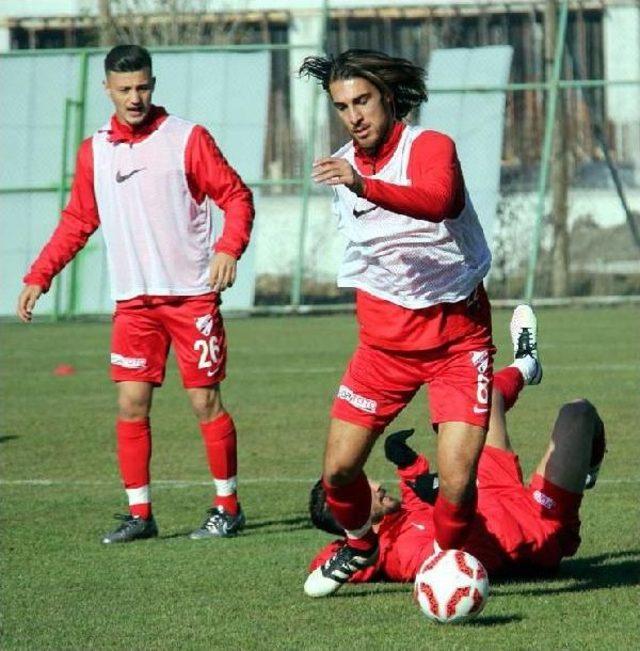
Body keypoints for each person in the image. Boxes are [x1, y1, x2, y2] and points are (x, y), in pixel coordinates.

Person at [299, 50, 532, 596]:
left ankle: (450, 563)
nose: (354, 116)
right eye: (342, 107)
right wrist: (354, 183)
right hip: (382, 347)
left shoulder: (429, 147)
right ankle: (359, 545)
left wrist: (364, 185)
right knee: (338, 473)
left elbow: (440, 200)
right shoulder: (342, 168)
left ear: (387, 98)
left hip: (457, 340)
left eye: (362, 101)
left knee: (454, 481)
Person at [16, 45, 254, 543]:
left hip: (191, 296)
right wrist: (41, 275)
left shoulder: (186, 138)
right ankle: (141, 515)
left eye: (143, 86)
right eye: (124, 89)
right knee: (130, 404)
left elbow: (235, 196)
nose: (135, 97)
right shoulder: (95, 150)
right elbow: (80, 219)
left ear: (153, 83)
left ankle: (227, 507)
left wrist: (229, 248)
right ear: (107, 89)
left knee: (204, 402)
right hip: (134, 302)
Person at [306, 307, 606, 590]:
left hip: (492, 487)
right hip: (538, 527)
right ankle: (583, 467)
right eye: (363, 489)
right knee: (578, 413)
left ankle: (527, 365)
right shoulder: (397, 554)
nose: (374, 484)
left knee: (484, 399)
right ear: (351, 512)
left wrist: (410, 466)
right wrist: (440, 495)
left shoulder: (399, 516)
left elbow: (421, 499)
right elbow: (464, 558)